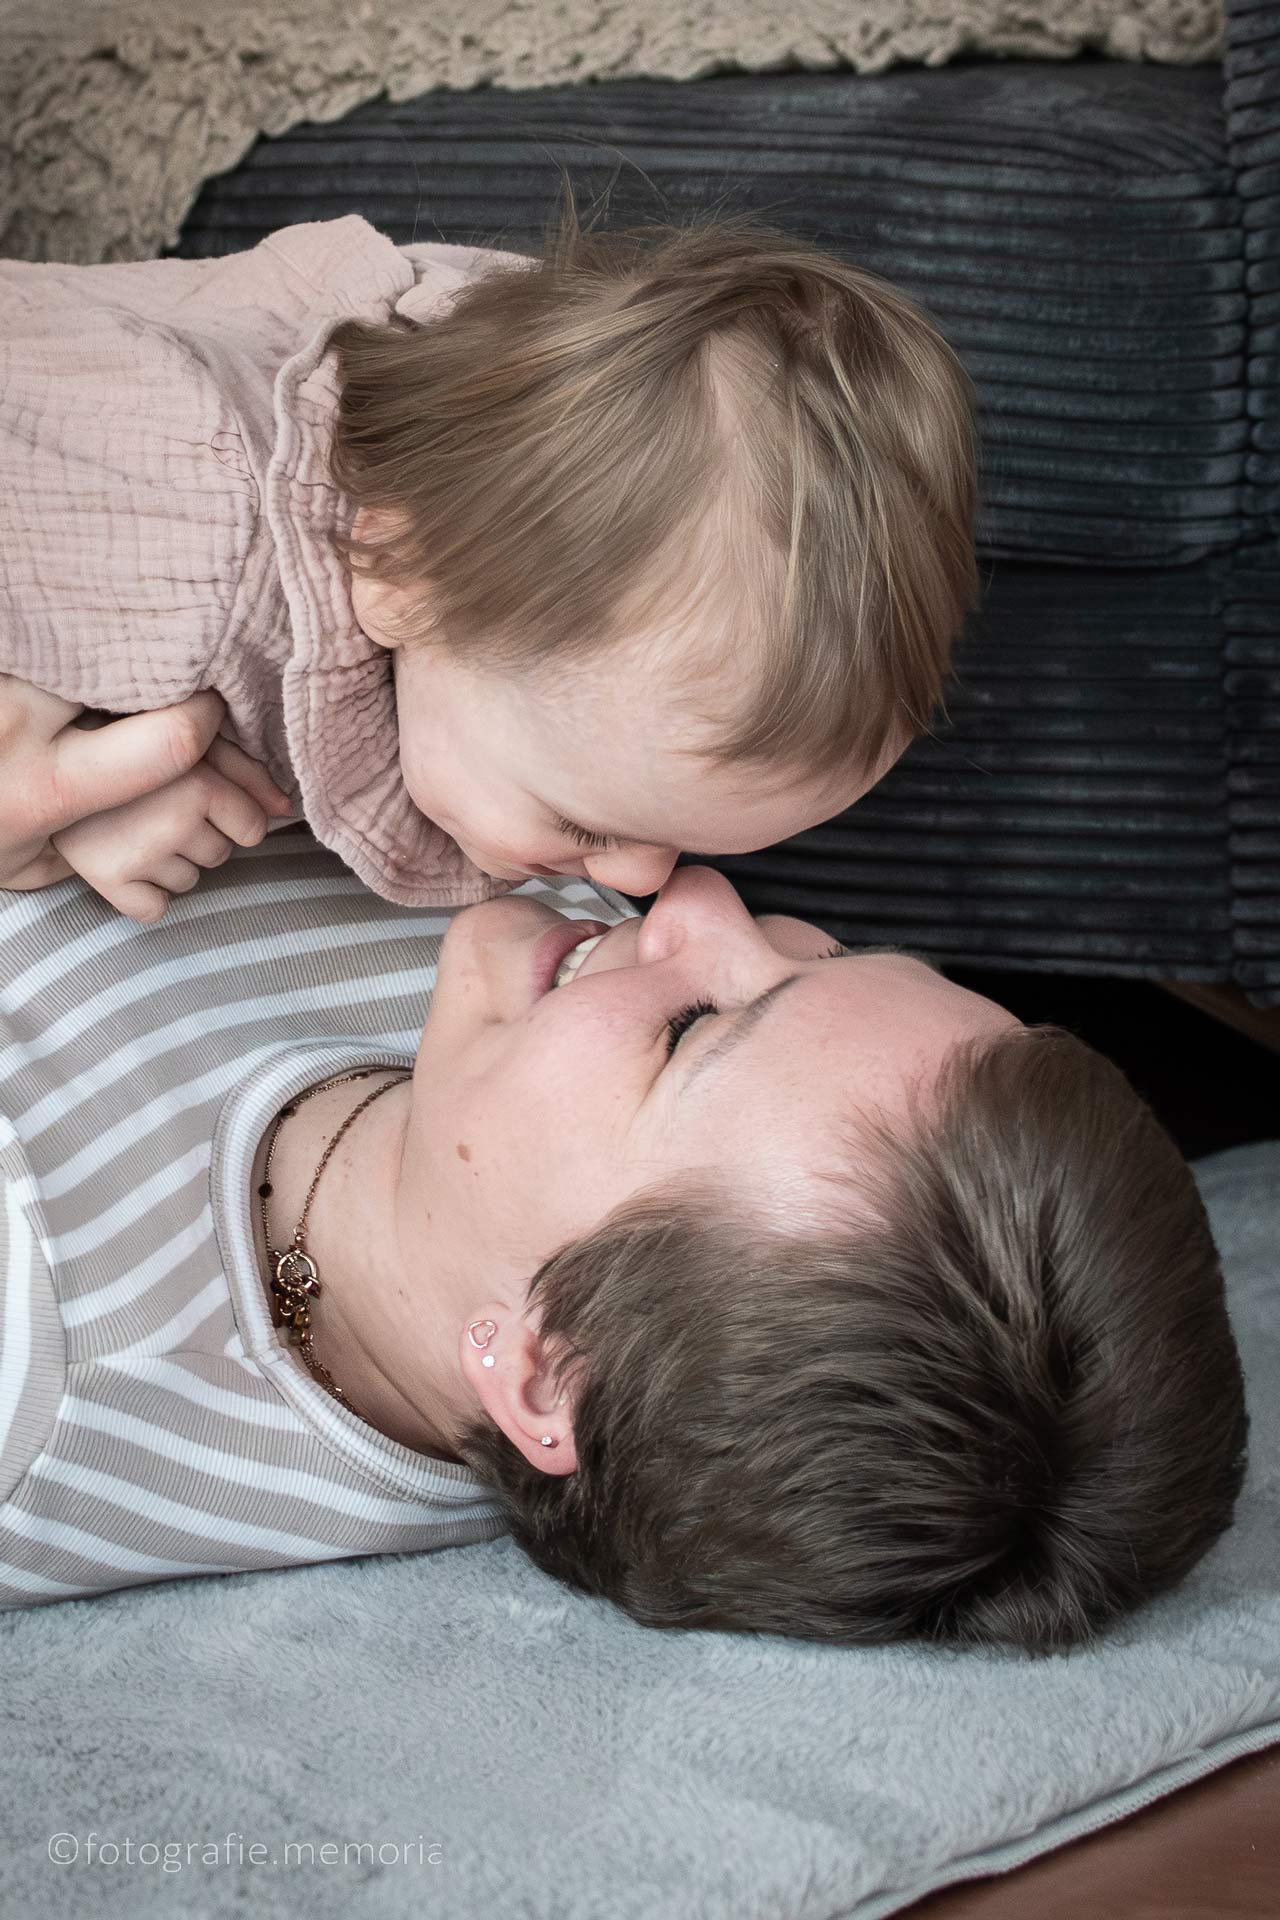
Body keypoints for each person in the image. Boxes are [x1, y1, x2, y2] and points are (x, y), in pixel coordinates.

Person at [0, 829, 1247, 1651]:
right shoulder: (533, 940)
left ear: (545, 1368)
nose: (689, 894)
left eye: (694, 1028)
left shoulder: (48, 1355)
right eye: (830, 948)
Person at [0, 182, 976, 922]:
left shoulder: (494, 390)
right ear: (400, 574)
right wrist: (45, 812)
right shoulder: (158, 558)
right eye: (587, 827)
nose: (645, 881)